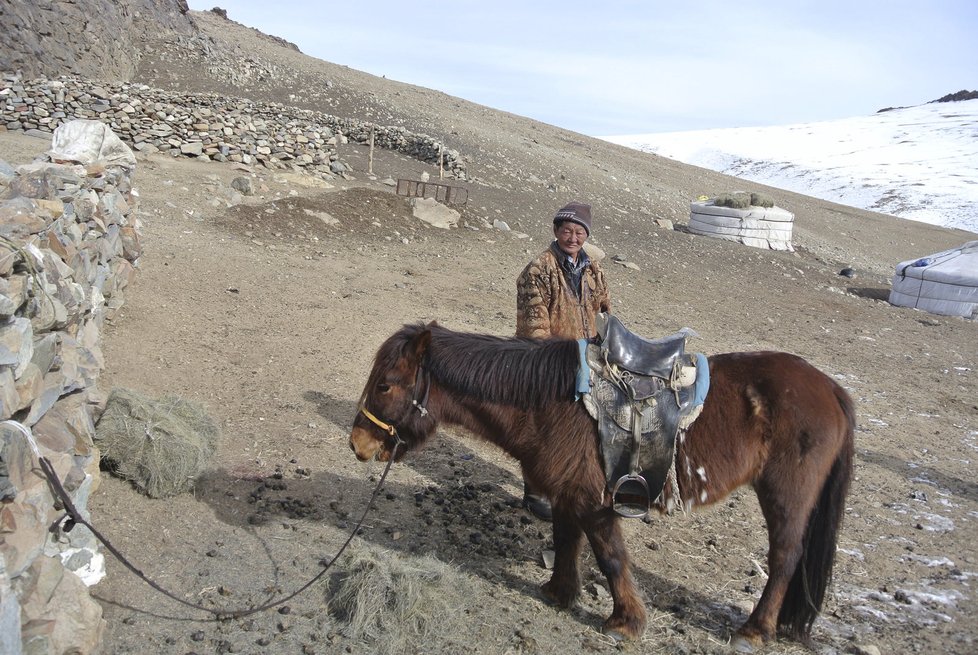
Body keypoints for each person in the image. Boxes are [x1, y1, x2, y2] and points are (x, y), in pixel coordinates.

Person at [515, 201, 612, 520]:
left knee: (580, 424)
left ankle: (575, 482)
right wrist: (549, 362)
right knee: (541, 426)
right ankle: (534, 492)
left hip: (587, 356)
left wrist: (607, 341)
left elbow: (604, 309)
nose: (573, 237)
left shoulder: (593, 267)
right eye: (567, 231)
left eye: (579, 232)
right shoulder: (538, 269)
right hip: (549, 360)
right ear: (556, 231)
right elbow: (534, 321)